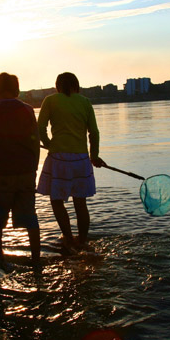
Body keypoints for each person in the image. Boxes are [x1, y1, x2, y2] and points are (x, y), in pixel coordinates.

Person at [37, 72, 105, 252]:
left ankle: (68, 238)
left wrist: (49, 144)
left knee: (57, 200)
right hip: (81, 159)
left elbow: (40, 128)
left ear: (58, 86)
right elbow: (94, 133)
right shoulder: (85, 102)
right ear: (77, 85)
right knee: (80, 203)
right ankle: (82, 241)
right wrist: (94, 155)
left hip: (58, 159)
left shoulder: (50, 100)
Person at [0, 72, 41, 267]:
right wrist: (33, 169)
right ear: (17, 89)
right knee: (30, 216)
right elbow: (35, 143)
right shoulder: (28, 109)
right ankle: (35, 258)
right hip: (26, 171)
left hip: (1, 173)